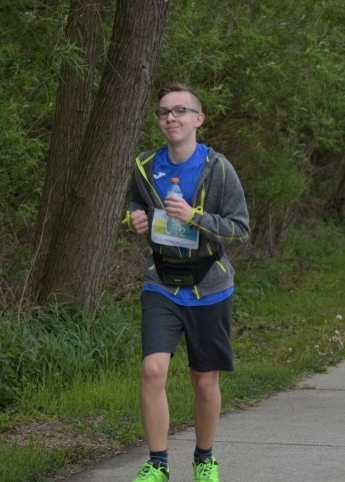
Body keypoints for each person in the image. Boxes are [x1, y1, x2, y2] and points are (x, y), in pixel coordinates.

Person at [125, 82, 250, 482]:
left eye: (180, 111)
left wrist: (194, 217)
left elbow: (240, 230)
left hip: (209, 284)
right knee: (153, 369)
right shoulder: (145, 165)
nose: (171, 118)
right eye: (164, 112)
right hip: (161, 282)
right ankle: (158, 464)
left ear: (199, 119)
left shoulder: (218, 168)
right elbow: (137, 206)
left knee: (204, 380)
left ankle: (204, 458)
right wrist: (135, 220)